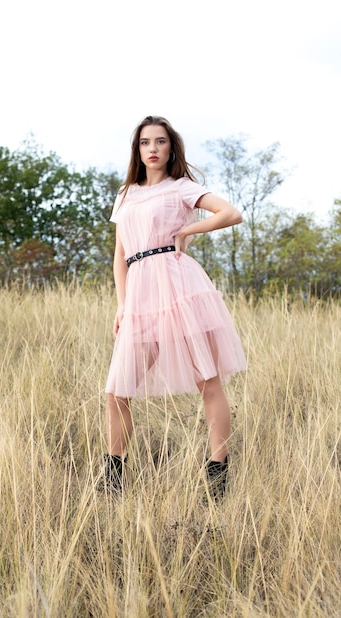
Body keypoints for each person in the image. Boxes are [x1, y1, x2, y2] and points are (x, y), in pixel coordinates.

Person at [103, 115, 246, 498]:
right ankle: (113, 478)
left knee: (208, 381)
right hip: (139, 294)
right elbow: (120, 255)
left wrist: (186, 230)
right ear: (138, 149)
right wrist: (122, 304)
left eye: (160, 142)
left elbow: (231, 213)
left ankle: (217, 474)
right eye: (145, 142)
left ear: (171, 147)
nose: (153, 148)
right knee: (117, 392)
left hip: (178, 285)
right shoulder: (126, 194)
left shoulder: (181, 187)